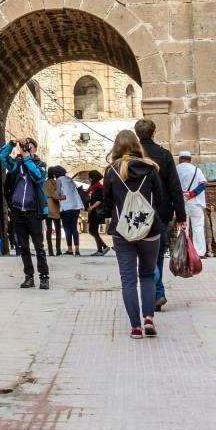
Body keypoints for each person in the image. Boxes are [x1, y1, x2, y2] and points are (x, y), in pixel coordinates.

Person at [103, 131, 164, 338]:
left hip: (122, 232)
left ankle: (136, 327)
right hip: (150, 230)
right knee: (147, 275)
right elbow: (161, 199)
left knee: (128, 280)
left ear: (117, 147)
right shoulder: (151, 168)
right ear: (137, 145)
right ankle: (149, 317)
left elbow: (107, 204)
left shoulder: (111, 171)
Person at [134, 119, 187, 310]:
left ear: (137, 134)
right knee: (157, 254)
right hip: (162, 212)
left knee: (143, 254)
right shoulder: (164, 155)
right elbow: (175, 187)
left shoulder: (133, 157)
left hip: (138, 213)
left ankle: (155, 293)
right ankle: (157, 293)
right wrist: (182, 216)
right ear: (154, 132)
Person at [0, 137, 49, 288]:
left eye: (29, 147)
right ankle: (29, 277)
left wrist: (27, 159)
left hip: (34, 211)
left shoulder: (41, 165)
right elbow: (2, 156)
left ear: (35, 149)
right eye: (24, 147)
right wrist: (12, 143)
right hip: (18, 211)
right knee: (23, 247)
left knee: (39, 247)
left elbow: (38, 177)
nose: (26, 149)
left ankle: (44, 277)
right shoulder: (16, 166)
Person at [176, 149, 209, 257]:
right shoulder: (196, 170)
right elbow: (203, 184)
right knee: (198, 226)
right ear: (190, 159)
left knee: (182, 226)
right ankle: (199, 252)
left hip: (181, 202)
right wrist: (192, 194)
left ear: (180, 159)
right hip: (195, 202)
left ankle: (183, 252)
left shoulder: (175, 169)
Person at [54, 166, 86, 256]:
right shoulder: (69, 179)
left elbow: (58, 193)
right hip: (76, 206)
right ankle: (77, 250)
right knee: (74, 228)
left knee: (67, 229)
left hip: (66, 207)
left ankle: (70, 249)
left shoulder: (59, 180)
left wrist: (55, 193)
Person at [83, 172, 111, 254]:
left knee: (92, 230)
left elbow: (99, 200)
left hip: (96, 212)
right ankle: (100, 250)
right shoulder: (94, 187)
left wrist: (91, 207)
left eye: (90, 177)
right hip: (94, 212)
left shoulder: (99, 188)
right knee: (93, 231)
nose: (89, 179)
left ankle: (104, 247)